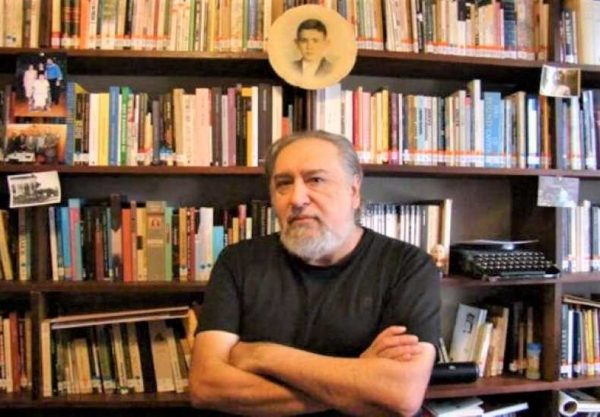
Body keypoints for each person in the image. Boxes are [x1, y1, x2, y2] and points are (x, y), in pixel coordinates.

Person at [190, 131, 441, 416]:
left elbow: (401, 395)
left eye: (316, 180)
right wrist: (359, 378)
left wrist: (262, 354)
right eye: (283, 184)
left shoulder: (408, 266)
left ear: (353, 191)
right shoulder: (238, 261)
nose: (297, 198)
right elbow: (206, 386)